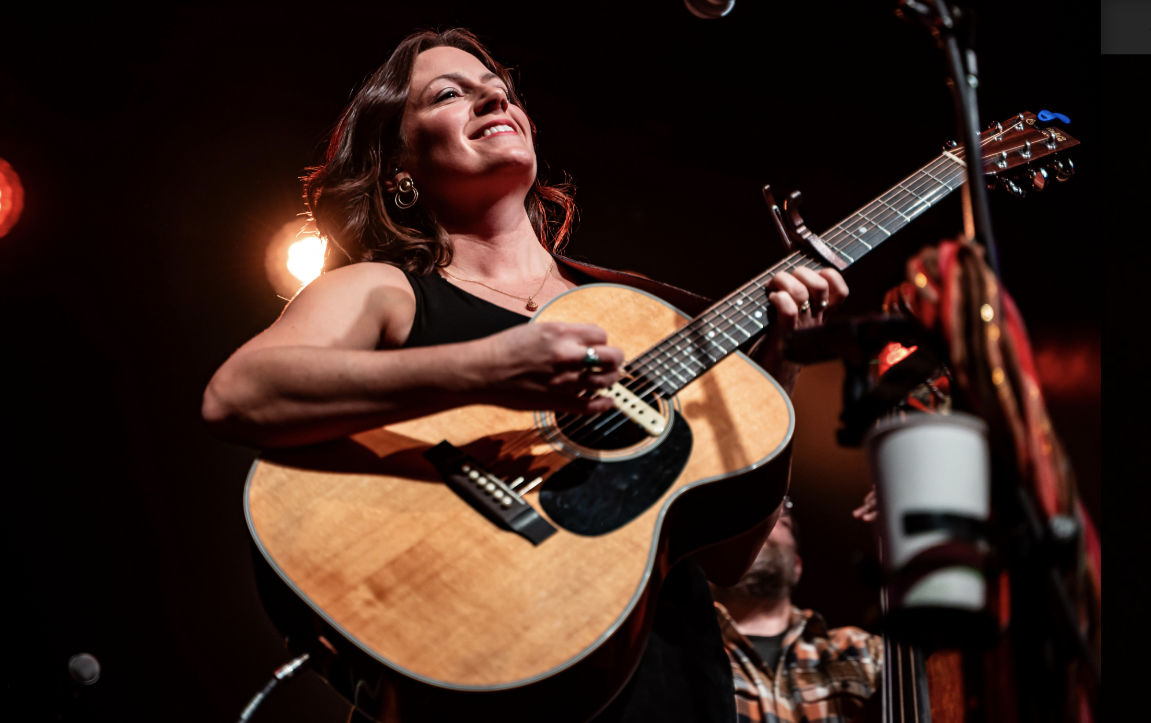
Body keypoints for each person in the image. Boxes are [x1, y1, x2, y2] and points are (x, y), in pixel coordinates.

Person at [202, 28, 848, 722]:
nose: (489, 96)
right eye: (450, 94)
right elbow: (237, 395)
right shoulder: (385, 290)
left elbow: (725, 553)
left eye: (498, 89)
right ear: (399, 167)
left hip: (668, 683)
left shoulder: (642, 312)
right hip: (472, 662)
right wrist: (491, 367)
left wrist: (781, 363)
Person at [711, 499, 883, 723]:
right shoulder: (674, 657)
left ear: (797, 567)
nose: (756, 528)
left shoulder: (864, 652)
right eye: (740, 527)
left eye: (779, 522)